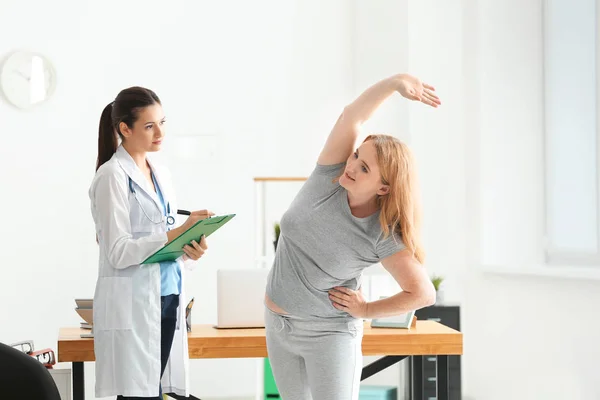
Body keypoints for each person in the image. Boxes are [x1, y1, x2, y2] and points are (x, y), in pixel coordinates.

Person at [264, 73, 441, 399]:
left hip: (329, 334)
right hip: (278, 327)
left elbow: (422, 293)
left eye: (364, 169)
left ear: (383, 188)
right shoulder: (330, 175)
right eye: (357, 155)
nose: (352, 165)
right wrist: (396, 83)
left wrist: (367, 310)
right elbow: (353, 116)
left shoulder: (382, 233)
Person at [89, 86, 213, 399]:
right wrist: (175, 234)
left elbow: (163, 239)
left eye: (162, 122)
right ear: (124, 129)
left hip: (169, 294)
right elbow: (117, 251)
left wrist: (190, 247)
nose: (160, 132)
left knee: (156, 391)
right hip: (134, 302)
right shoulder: (111, 176)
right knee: (140, 394)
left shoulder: (161, 174)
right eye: (149, 126)